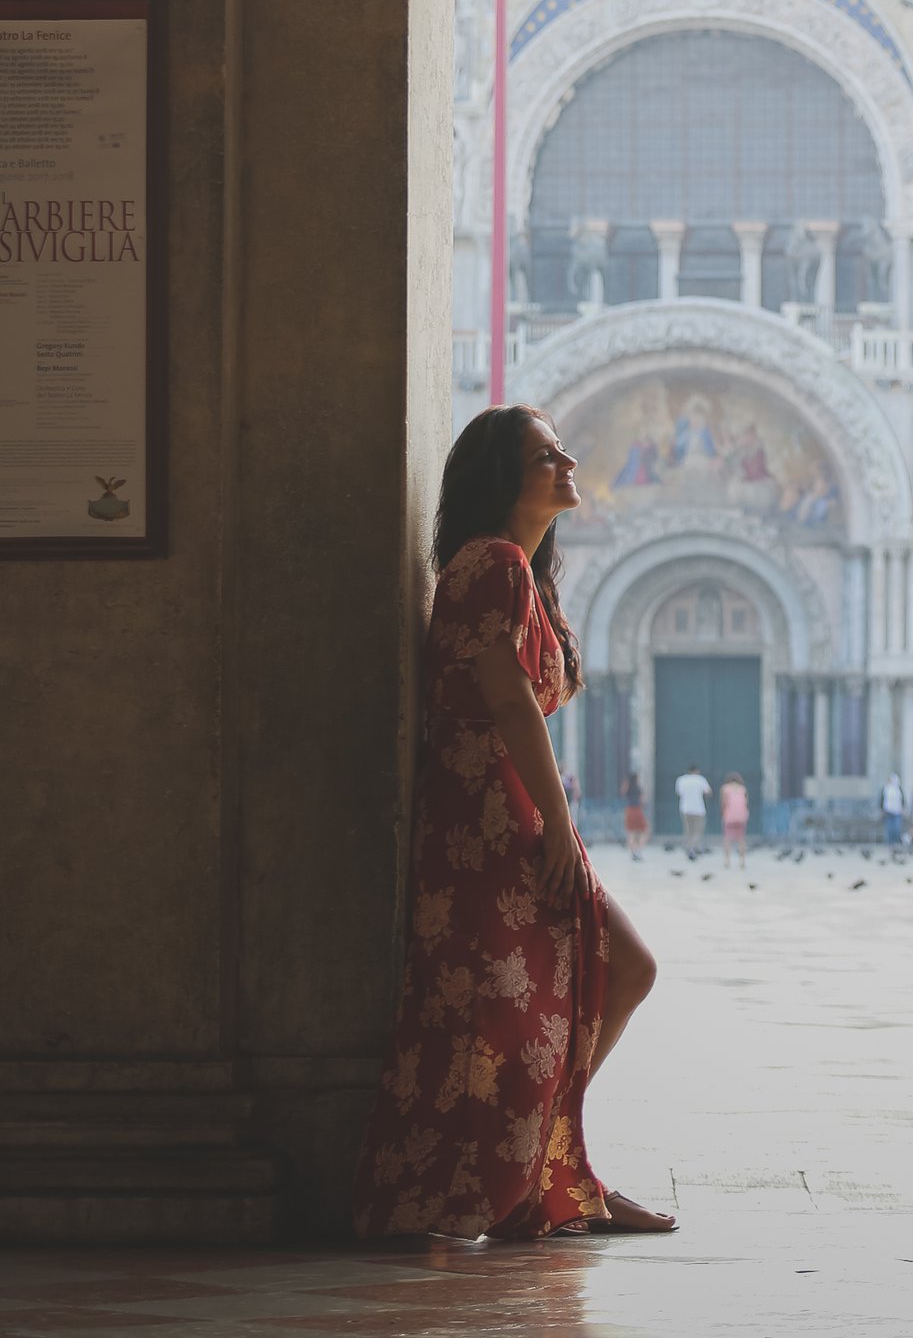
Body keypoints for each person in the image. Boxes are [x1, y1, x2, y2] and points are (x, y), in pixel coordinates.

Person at [353, 406, 674, 1238]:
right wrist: (560, 827)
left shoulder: (521, 571)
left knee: (585, 987)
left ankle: (552, 1167)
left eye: (564, 450)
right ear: (501, 477)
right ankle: (527, 1182)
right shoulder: (492, 562)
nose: (568, 463)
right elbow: (507, 701)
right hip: (487, 817)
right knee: (513, 1010)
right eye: (545, 456)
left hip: (508, 805)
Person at [675, 761, 711, 852]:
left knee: (688, 830)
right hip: (699, 809)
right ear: (697, 771)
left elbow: (679, 793)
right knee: (698, 831)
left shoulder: (681, 780)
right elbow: (708, 792)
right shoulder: (700, 780)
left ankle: (688, 846)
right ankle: (693, 848)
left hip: (685, 808)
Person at [719, 770, 749, 867]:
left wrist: (722, 813)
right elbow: (746, 803)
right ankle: (742, 861)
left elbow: (723, 803)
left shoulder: (725, 788)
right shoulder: (743, 789)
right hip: (741, 817)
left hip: (729, 816)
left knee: (727, 838)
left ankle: (727, 861)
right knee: (741, 839)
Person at [621, 769, 650, 860]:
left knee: (631, 832)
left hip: (629, 810)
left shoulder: (628, 787)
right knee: (645, 830)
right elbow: (643, 800)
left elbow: (622, 792)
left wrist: (627, 782)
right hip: (637, 810)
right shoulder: (639, 788)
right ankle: (639, 849)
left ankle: (633, 851)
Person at [881, 770, 906, 848]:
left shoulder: (899, 789)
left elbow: (902, 800)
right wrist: (882, 809)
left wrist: (903, 808)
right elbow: (882, 799)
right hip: (888, 811)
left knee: (896, 828)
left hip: (897, 811)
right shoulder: (886, 788)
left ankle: (896, 842)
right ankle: (889, 843)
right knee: (889, 828)